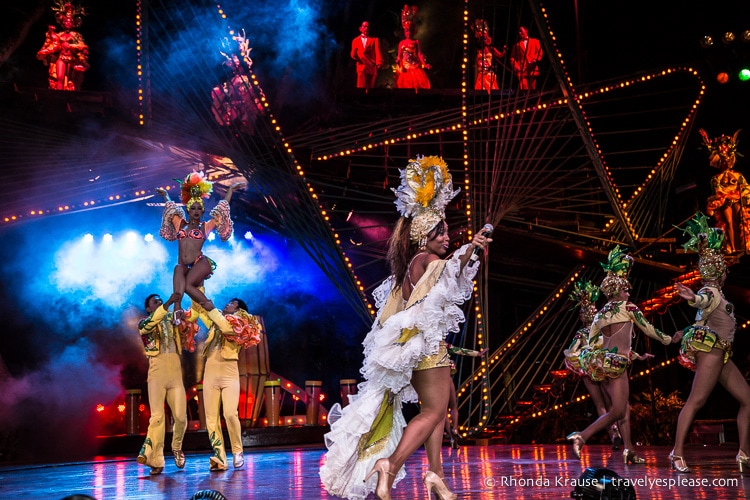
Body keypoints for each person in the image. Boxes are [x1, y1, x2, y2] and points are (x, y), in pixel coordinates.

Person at [319, 155, 491, 500]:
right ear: (424, 236)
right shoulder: (428, 261)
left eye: (446, 232)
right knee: (434, 412)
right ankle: (390, 464)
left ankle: (436, 476)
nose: (446, 236)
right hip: (427, 350)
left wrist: (469, 250)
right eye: (440, 232)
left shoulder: (412, 264)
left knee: (435, 414)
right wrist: (472, 247)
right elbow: (450, 270)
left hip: (417, 349)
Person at [567, 246, 673, 464]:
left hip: (605, 363)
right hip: (618, 366)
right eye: (626, 290)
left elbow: (596, 343)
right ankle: (583, 436)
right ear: (618, 291)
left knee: (623, 408)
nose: (629, 293)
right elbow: (648, 329)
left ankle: (629, 450)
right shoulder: (628, 307)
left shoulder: (600, 315)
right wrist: (669, 339)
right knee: (617, 411)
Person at [669, 213, 750, 473]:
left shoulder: (717, 293)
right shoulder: (710, 291)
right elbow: (702, 301)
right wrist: (693, 297)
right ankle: (677, 453)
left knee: (748, 399)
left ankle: (744, 453)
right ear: (721, 272)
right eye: (725, 269)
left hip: (721, 353)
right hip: (712, 352)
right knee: (696, 400)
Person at [184, 297, 262, 471]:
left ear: (239, 309)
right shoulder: (216, 318)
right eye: (228, 302)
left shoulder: (241, 322)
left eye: (233, 303)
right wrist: (196, 288)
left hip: (229, 373)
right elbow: (202, 309)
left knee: (230, 413)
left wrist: (211, 310)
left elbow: (225, 327)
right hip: (210, 372)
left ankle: (237, 451)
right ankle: (219, 456)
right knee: (211, 417)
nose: (228, 304)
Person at [157, 171, 245, 321]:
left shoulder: (205, 227)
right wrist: (165, 194)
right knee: (178, 268)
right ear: (188, 210)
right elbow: (170, 206)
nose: (196, 211)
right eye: (193, 208)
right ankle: (177, 309)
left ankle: (213, 310)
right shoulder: (180, 224)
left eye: (199, 208)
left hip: (200, 263)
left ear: (203, 211)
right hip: (184, 265)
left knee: (188, 286)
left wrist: (230, 191)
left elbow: (222, 208)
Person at [563, 280, 623, 449]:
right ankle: (616, 433)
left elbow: (572, 349)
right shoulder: (601, 329)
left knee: (600, 405)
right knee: (611, 402)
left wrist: (579, 358)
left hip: (588, 368)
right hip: (601, 366)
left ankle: (613, 436)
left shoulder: (582, 332)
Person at [136, 293, 189, 475]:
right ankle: (156, 460)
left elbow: (186, 324)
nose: (159, 303)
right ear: (149, 308)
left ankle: (176, 446)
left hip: (175, 373)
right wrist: (167, 303)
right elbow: (154, 319)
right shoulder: (144, 323)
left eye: (160, 300)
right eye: (155, 302)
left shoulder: (171, 320)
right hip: (157, 373)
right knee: (157, 417)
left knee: (181, 417)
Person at [700, 129, 749, 254]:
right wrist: (725, 197)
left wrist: (742, 195)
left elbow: (745, 187)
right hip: (725, 200)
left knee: (739, 219)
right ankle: (731, 247)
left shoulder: (738, 175)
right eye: (724, 161)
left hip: (737, 199)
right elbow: (717, 191)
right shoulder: (716, 178)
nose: (726, 163)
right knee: (728, 222)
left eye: (728, 160)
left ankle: (741, 246)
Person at [36, 1, 89, 91]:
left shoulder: (76, 35)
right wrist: (50, 34)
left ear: (73, 23)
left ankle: (69, 95)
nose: (67, 23)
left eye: (69, 21)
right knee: (59, 78)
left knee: (70, 80)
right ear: (63, 22)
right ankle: (58, 94)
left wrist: (71, 46)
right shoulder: (59, 34)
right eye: (66, 21)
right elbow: (51, 44)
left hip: (71, 59)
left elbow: (82, 46)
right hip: (61, 57)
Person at [444, 344, 488, 449]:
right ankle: (455, 429)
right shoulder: (444, 345)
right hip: (446, 377)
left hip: (435, 379)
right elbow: (460, 350)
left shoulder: (427, 346)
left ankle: (451, 436)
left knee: (443, 412)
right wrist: (478, 353)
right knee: (453, 406)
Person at [395, 5, 431, 91]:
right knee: (405, 88)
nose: (409, 32)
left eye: (410, 30)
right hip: (405, 68)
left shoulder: (416, 42)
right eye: (407, 30)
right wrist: (398, 60)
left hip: (415, 67)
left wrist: (425, 64)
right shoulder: (401, 43)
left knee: (418, 88)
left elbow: (420, 54)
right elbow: (399, 55)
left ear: (413, 31)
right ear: (404, 31)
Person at [473, 19, 506, 92]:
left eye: (485, 38)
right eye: (482, 39)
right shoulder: (477, 49)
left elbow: (500, 55)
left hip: (489, 73)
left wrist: (504, 51)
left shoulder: (491, 48)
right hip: (480, 73)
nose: (484, 40)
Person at [351, 21, 383, 89]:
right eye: (364, 26)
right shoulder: (355, 40)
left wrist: (379, 63)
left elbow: (378, 51)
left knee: (371, 88)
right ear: (360, 28)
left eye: (368, 27)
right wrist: (354, 55)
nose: (366, 28)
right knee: (361, 88)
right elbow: (353, 54)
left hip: (371, 66)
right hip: (361, 66)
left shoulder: (374, 40)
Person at [509, 26, 543, 91]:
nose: (519, 33)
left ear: (526, 30)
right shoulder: (516, 45)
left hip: (532, 68)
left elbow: (540, 52)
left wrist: (535, 59)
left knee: (533, 90)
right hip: (522, 70)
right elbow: (512, 58)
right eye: (519, 31)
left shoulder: (535, 41)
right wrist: (517, 67)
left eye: (521, 30)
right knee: (524, 90)